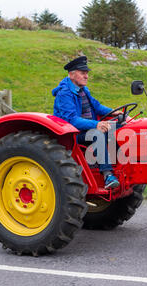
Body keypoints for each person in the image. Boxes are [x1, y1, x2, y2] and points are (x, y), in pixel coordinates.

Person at [52, 56, 122, 189]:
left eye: (87, 73)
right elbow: (71, 120)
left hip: (87, 129)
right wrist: (96, 124)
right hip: (73, 134)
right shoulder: (64, 94)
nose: (86, 76)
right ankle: (108, 175)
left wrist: (114, 111)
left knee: (118, 128)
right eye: (83, 73)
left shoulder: (83, 90)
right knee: (98, 134)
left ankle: (122, 166)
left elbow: (97, 106)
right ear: (72, 74)